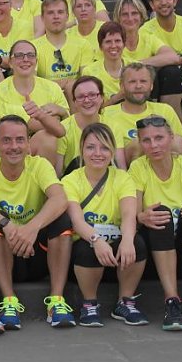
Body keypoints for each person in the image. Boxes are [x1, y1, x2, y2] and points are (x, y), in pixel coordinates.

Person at [0, 115, 74, 331]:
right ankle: (9, 301)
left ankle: (57, 300)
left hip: (36, 251)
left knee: (62, 219)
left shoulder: (39, 165)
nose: (14, 146)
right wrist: (8, 225)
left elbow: (60, 198)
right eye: (6, 140)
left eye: (20, 140)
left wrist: (31, 228)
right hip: (1, 253)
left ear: (28, 143)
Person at [129, 117, 182, 330]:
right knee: (160, 214)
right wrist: (143, 216)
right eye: (147, 140)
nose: (154, 145)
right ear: (141, 144)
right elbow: (136, 212)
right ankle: (172, 300)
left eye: (159, 138)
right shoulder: (138, 167)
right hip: (158, 241)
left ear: (171, 138)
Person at [64, 123, 148, 327]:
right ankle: (89, 302)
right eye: (91, 147)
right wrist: (96, 239)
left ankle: (125, 301)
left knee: (136, 242)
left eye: (104, 148)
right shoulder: (70, 180)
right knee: (86, 248)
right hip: (87, 245)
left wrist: (127, 240)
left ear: (112, 151)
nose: (97, 153)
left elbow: (129, 214)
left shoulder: (122, 178)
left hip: (117, 250)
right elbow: (76, 220)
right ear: (82, 149)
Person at [101, 63, 182, 167]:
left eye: (143, 81)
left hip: (166, 167)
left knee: (177, 141)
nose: (138, 86)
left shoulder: (165, 110)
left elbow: (181, 145)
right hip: (128, 168)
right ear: (122, 87)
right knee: (142, 142)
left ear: (151, 86)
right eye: (132, 82)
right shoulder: (107, 113)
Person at [113, 0, 182, 113]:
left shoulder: (148, 38)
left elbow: (173, 57)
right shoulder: (113, 41)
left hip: (147, 88)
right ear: (118, 18)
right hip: (119, 89)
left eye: (134, 13)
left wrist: (136, 64)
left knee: (171, 72)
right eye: (125, 14)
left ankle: (170, 115)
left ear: (141, 16)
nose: (130, 18)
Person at [54, 76, 105, 175]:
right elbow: (58, 174)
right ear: (74, 102)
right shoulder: (63, 129)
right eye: (81, 97)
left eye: (92, 95)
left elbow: (119, 167)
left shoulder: (112, 126)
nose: (87, 100)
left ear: (102, 98)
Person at [80, 21, 128, 100]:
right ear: (101, 46)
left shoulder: (136, 67)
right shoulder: (89, 72)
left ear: (124, 44)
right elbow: (90, 107)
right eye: (108, 42)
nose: (113, 46)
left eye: (117, 41)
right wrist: (118, 97)